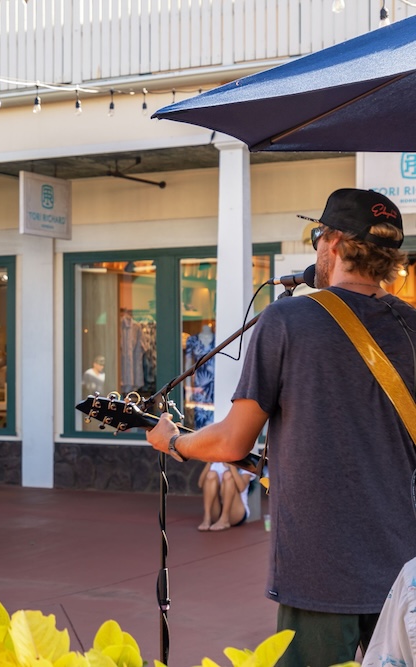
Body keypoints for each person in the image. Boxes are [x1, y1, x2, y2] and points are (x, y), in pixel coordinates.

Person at [146, 189, 416, 667]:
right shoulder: (412, 326)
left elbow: (233, 442)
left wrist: (175, 442)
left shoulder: (287, 319)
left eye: (318, 236)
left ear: (332, 244)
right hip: (407, 564)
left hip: (320, 564)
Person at [196, 462, 253, 532]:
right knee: (211, 475)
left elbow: (241, 488)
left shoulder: (247, 464)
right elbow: (200, 484)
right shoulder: (216, 464)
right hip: (217, 512)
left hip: (236, 513)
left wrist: (232, 466)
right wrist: (209, 462)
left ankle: (224, 519)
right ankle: (207, 518)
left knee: (228, 475)